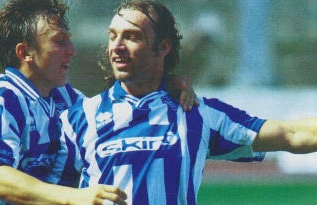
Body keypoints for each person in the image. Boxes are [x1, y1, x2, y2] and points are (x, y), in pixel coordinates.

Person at [57, 1, 317, 204]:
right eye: (113, 36)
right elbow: (41, 187)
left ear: (163, 48)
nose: (117, 46)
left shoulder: (194, 112)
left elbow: (291, 134)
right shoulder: (80, 117)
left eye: (132, 37)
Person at [0, 0, 197, 204]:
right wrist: (74, 197)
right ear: (25, 53)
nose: (72, 49)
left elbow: (112, 112)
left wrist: (160, 84)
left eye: (69, 39)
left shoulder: (67, 97)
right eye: (59, 41)